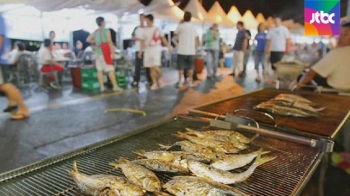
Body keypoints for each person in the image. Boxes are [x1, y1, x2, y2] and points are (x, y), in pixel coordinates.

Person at [298, 22, 350, 91]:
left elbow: (310, 74)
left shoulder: (338, 53)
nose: (340, 37)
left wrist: (297, 89)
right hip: (345, 92)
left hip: (334, 92)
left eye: (345, 34)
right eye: (340, 34)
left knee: (303, 76)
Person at [0, 13, 29, 120]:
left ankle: (24, 108)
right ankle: (12, 105)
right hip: (5, 60)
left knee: (4, 85)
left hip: (2, 60)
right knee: (4, 85)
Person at [86, 16, 122, 92]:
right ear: (102, 22)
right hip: (105, 52)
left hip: (97, 53)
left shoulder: (95, 32)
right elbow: (109, 41)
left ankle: (102, 87)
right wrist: (112, 52)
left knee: (100, 70)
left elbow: (88, 39)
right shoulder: (106, 30)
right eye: (104, 21)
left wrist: (96, 42)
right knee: (110, 69)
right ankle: (115, 86)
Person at [138, 14, 172, 90]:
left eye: (147, 20)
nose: (146, 22)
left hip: (156, 49)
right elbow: (142, 42)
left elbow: (163, 38)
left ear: (151, 20)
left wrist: (169, 46)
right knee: (151, 68)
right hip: (147, 49)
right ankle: (154, 83)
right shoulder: (145, 30)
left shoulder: (157, 28)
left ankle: (161, 78)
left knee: (155, 66)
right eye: (145, 20)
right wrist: (140, 51)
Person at [172, 11, 199, 88]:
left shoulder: (181, 26)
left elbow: (175, 33)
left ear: (184, 18)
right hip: (191, 51)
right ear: (190, 18)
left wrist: (180, 23)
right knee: (191, 67)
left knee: (181, 67)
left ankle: (180, 81)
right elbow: (196, 39)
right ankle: (190, 81)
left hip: (182, 50)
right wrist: (196, 49)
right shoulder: (194, 27)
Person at [265, 15, 290, 80]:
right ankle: (276, 77)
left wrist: (287, 48)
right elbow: (268, 40)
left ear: (280, 21)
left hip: (281, 49)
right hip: (273, 50)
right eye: (275, 20)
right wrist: (267, 48)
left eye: (277, 20)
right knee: (273, 65)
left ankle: (280, 77)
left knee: (280, 64)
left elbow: (288, 39)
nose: (276, 21)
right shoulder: (271, 30)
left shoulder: (284, 29)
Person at [131, 14, 152, 88]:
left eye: (143, 18)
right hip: (138, 49)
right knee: (137, 66)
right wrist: (139, 39)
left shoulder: (148, 28)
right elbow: (133, 37)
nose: (142, 20)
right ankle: (136, 80)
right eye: (141, 18)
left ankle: (150, 80)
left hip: (146, 50)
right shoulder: (136, 28)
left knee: (147, 66)